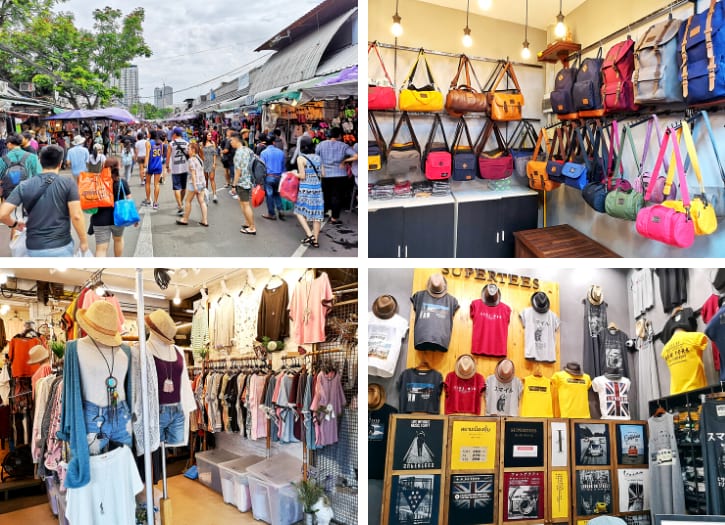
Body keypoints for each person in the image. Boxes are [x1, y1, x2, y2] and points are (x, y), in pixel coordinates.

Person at [0, 144, 88, 256]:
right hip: (61, 246)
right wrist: (83, 241)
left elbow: (2, 214)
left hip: (34, 247)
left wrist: (15, 224)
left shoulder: (24, 185)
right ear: (60, 163)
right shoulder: (68, 184)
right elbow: (77, 216)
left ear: (40, 162)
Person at [89, 157, 137, 257]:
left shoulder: (96, 181)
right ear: (118, 167)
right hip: (119, 218)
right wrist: (135, 218)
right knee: (118, 240)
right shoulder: (122, 182)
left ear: (104, 166)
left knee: (101, 248)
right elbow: (129, 200)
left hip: (99, 218)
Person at [315, 127, 357, 224]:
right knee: (337, 196)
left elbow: (316, 157)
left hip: (325, 174)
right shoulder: (344, 146)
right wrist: (344, 161)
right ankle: (334, 218)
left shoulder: (321, 145)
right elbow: (356, 156)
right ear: (339, 136)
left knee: (325, 194)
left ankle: (323, 213)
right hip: (340, 175)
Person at [293, 136, 324, 248]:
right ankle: (315, 240)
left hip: (305, 189)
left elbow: (302, 175)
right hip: (317, 189)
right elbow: (323, 174)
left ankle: (310, 235)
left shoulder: (301, 158)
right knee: (317, 215)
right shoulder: (318, 158)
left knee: (298, 212)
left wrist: (293, 173)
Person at [175, 142, 208, 227]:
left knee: (187, 201)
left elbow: (193, 174)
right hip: (202, 182)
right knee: (202, 201)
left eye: (189, 149)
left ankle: (185, 219)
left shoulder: (191, 160)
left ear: (193, 150)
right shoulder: (199, 158)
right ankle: (205, 220)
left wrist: (195, 186)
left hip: (195, 184)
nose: (187, 150)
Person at [230, 131, 256, 236]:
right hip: (249, 180)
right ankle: (247, 222)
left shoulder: (238, 153)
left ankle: (252, 227)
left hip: (242, 182)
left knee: (245, 205)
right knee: (243, 203)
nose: (231, 142)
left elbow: (238, 171)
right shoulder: (248, 150)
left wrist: (233, 185)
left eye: (231, 140)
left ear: (236, 140)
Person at [260, 134, 286, 221]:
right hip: (279, 177)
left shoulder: (263, 153)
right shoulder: (281, 152)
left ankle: (271, 214)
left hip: (269, 177)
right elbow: (283, 166)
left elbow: (262, 167)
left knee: (269, 195)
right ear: (273, 143)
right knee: (277, 194)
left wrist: (260, 180)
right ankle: (280, 209)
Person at [166, 127, 189, 216]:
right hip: (185, 167)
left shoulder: (171, 144)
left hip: (175, 169)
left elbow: (168, 157)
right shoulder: (186, 143)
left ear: (175, 134)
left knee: (176, 188)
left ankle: (180, 206)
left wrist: (167, 166)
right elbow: (189, 154)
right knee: (183, 187)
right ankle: (181, 202)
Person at [143, 130, 164, 209]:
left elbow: (147, 155)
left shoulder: (148, 143)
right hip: (158, 165)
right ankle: (155, 203)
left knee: (147, 183)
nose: (147, 134)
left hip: (150, 165)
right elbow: (161, 154)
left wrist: (145, 166)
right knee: (157, 184)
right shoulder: (160, 143)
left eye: (148, 133)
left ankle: (148, 200)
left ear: (151, 134)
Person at [201, 131, 218, 203]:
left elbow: (214, 154)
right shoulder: (202, 144)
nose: (210, 136)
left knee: (212, 178)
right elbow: (200, 154)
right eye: (209, 135)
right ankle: (206, 193)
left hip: (211, 162)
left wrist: (214, 163)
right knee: (205, 179)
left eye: (211, 135)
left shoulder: (213, 143)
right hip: (204, 163)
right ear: (205, 136)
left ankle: (214, 195)